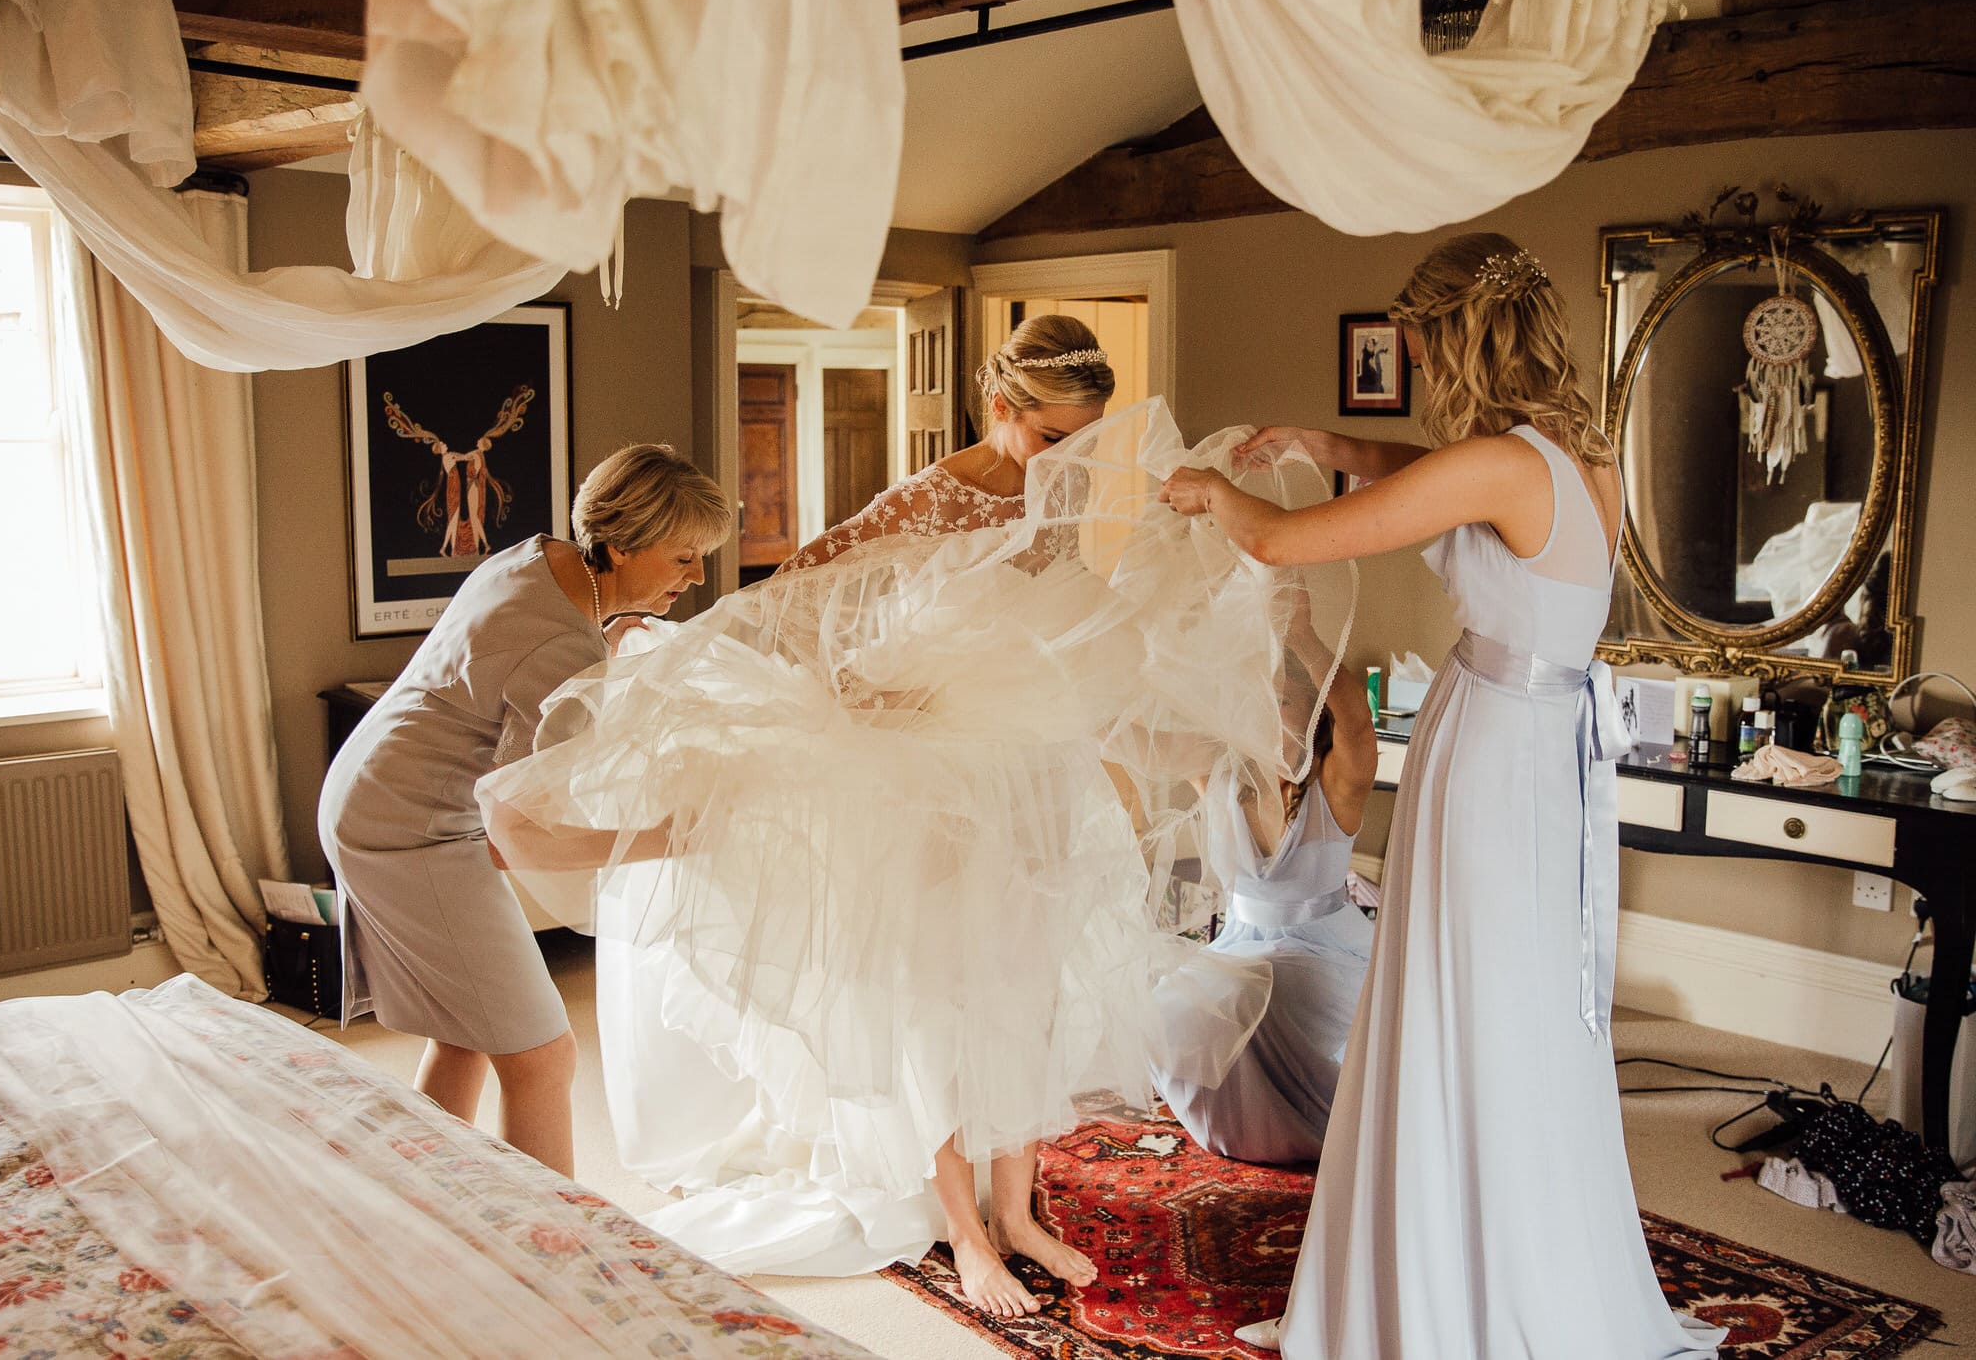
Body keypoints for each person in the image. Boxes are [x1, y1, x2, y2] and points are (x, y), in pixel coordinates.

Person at [478, 319, 1318, 1320]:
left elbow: (1053, 613)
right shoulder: (926, 497)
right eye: (1051, 435)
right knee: (946, 1002)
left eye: (1083, 434)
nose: (1070, 456)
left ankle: (1020, 1213)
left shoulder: (1067, 485)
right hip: (950, 782)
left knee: (1029, 992)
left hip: (1041, 771)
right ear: (997, 409)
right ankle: (967, 1234)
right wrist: (877, 695)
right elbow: (797, 592)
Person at [1161, 234, 1725, 1359]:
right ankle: (1481, 1255)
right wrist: (1320, 442)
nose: (1412, 363)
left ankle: (1440, 1289)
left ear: (1447, 337)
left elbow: (1275, 537)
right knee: (1498, 1002)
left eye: (1415, 342)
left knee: (1456, 998)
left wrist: (1210, 488)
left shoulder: (1498, 467)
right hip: (1530, 755)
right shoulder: (1570, 452)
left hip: (1493, 764)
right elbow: (1409, 466)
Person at [319, 443, 732, 1177]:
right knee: (544, 1052)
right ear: (622, 543)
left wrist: (609, 631)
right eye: (683, 557)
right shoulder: (560, 648)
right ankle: (553, 1257)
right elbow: (523, 838)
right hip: (409, 831)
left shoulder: (538, 560)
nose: (697, 577)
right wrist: (672, 836)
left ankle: (425, 1201)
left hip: (372, 793)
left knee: (468, 1031)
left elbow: (510, 658)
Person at [1150, 596, 1378, 1168]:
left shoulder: (1337, 783)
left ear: (1312, 710)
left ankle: (1318, 1128)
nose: (1262, 712)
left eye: (1280, 700)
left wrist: (1301, 632)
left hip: (1323, 950)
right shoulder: (1222, 775)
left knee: (1261, 987)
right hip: (1241, 945)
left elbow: (1356, 717)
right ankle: (1244, 1133)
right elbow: (1150, 727)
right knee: (1175, 999)